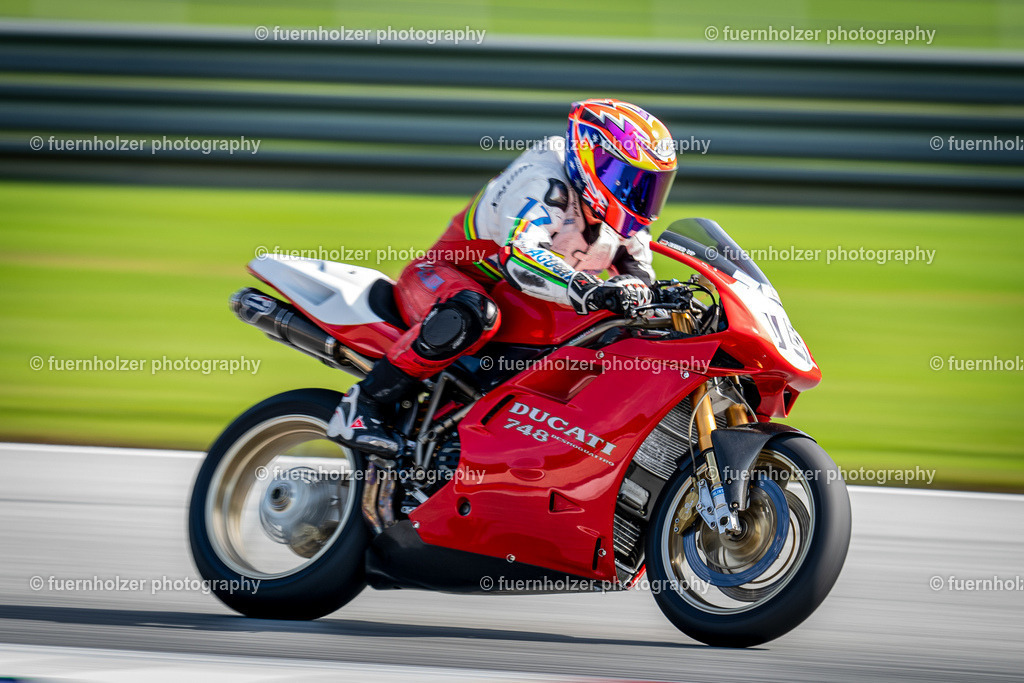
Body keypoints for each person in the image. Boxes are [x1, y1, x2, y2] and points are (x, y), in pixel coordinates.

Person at [327, 98, 678, 457]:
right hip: (444, 278)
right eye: (626, 179)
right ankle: (363, 404)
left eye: (648, 187)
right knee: (474, 313)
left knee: (617, 335)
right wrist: (589, 289)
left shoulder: (620, 221)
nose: (637, 195)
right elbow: (523, 256)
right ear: (589, 159)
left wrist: (649, 296)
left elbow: (639, 271)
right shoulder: (544, 182)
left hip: (519, 301)